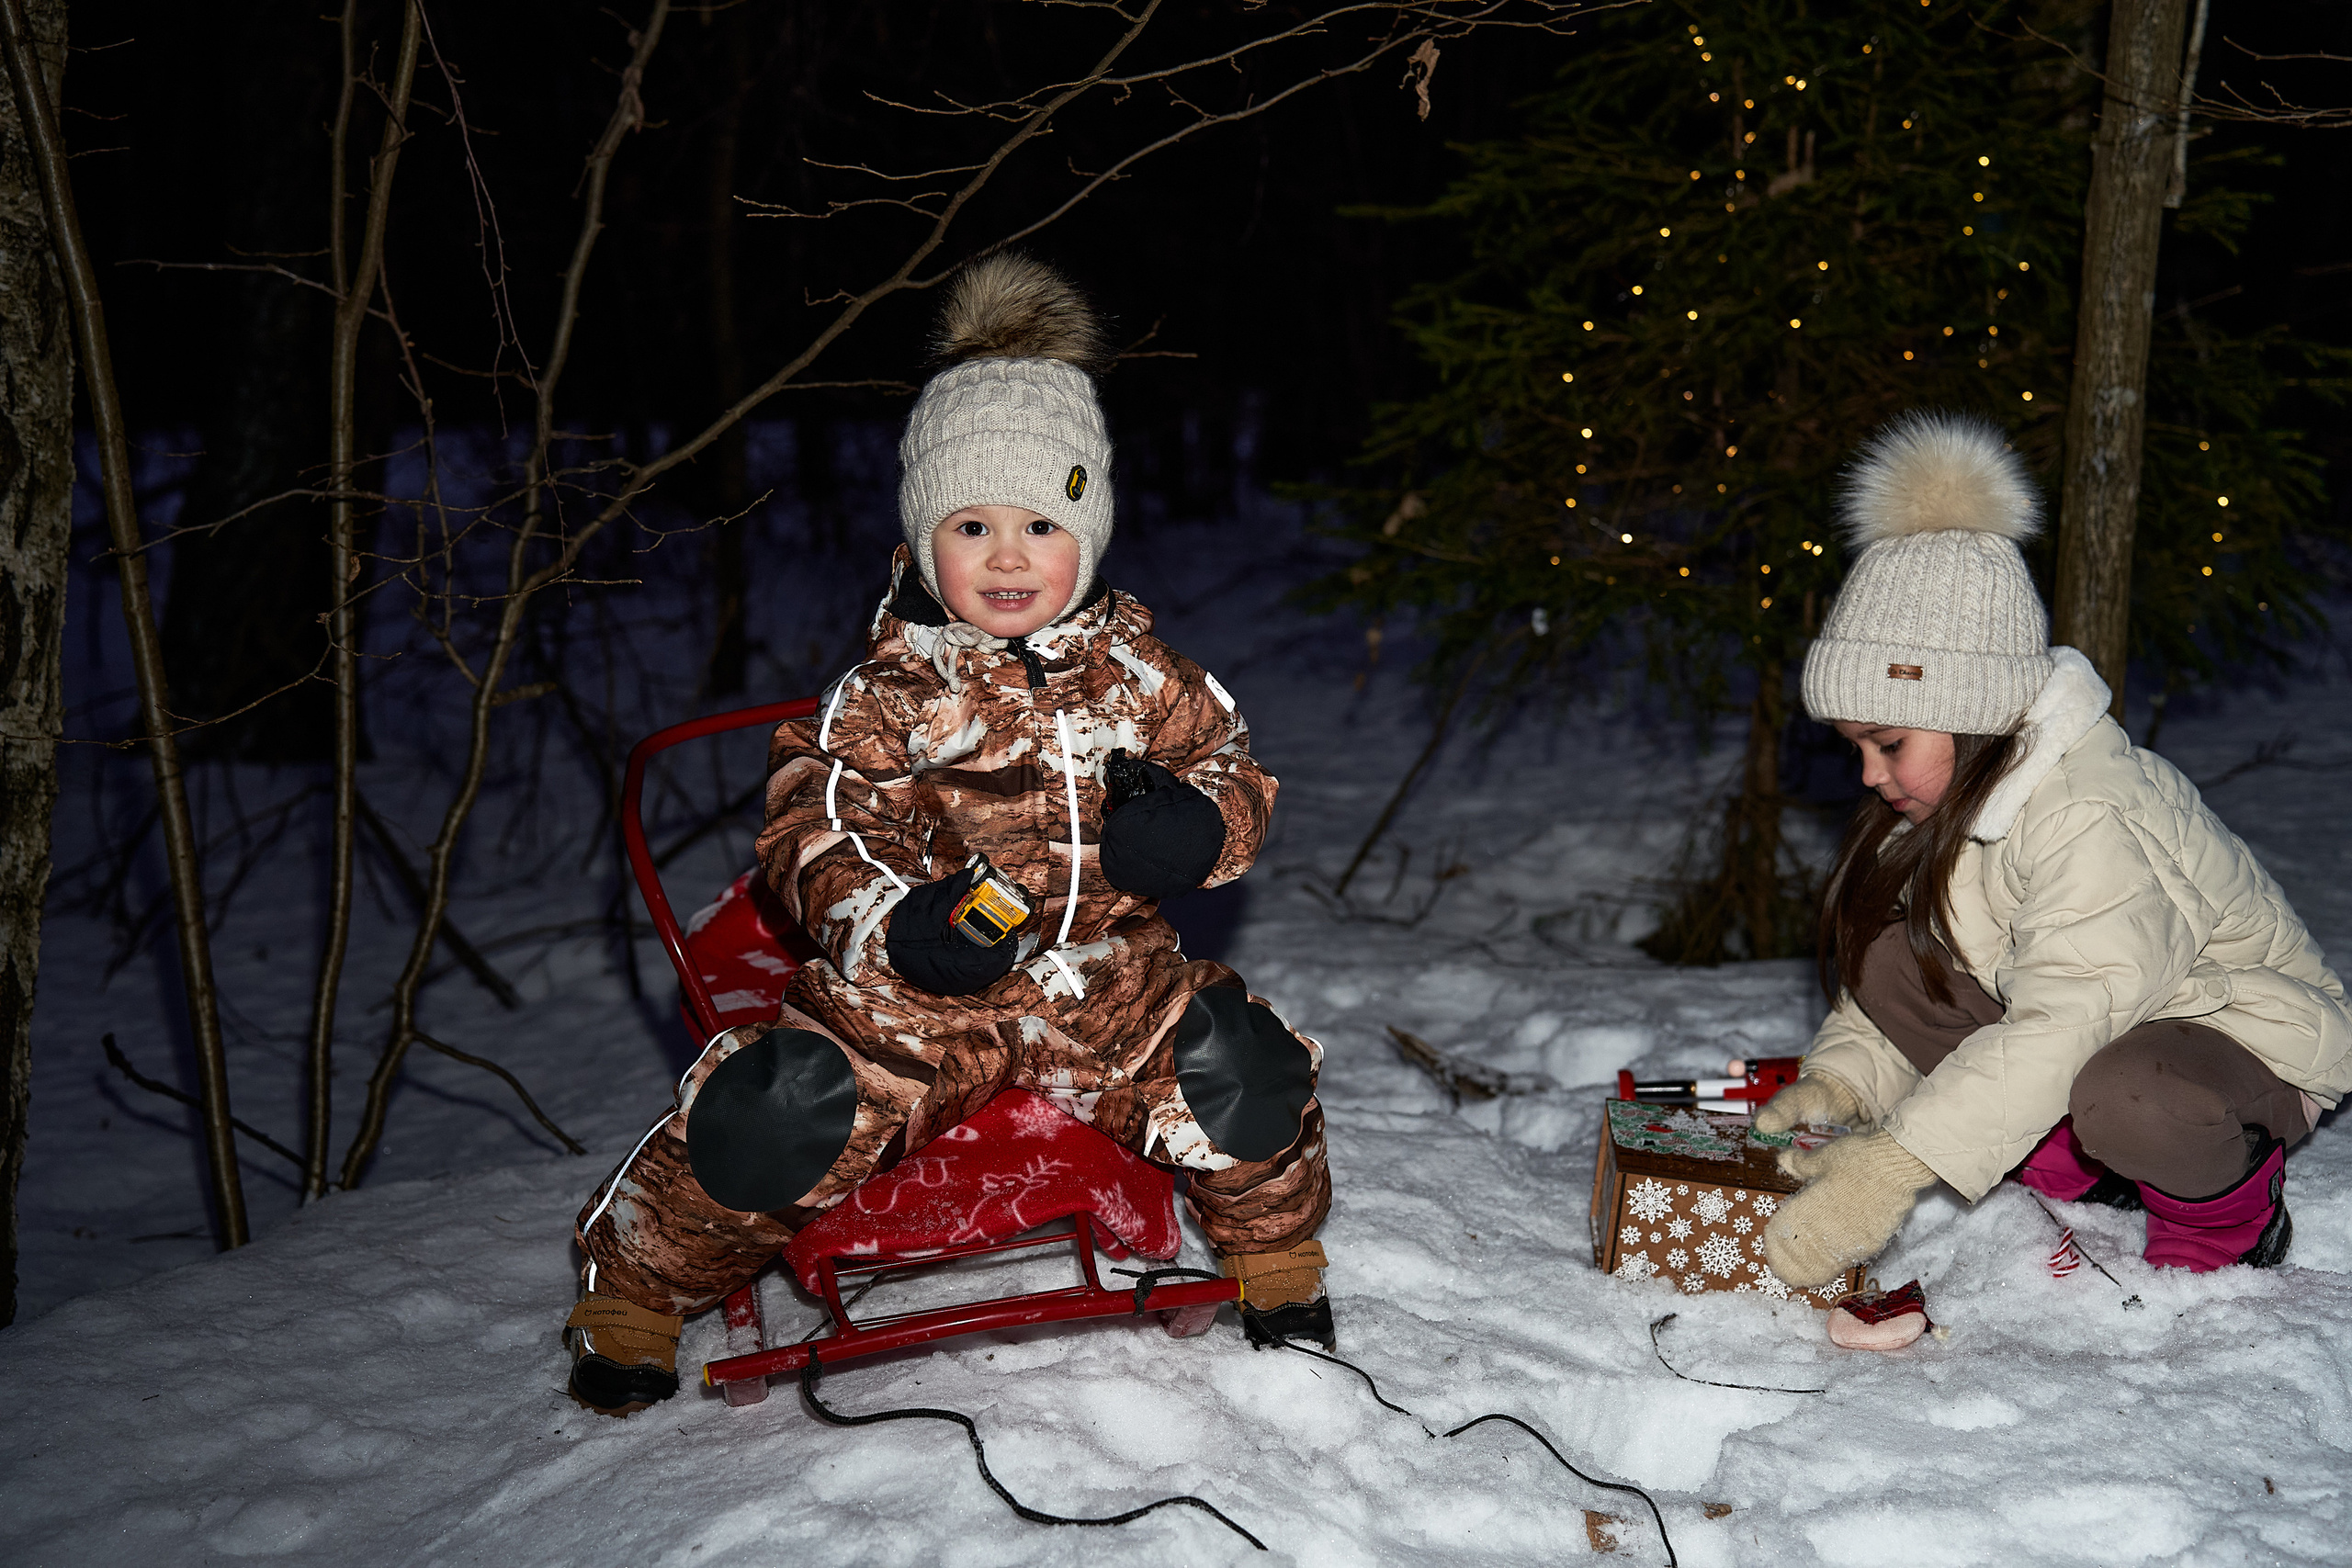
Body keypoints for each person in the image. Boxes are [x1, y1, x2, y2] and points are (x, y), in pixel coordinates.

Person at [563, 255, 1333, 1416]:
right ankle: (633, 1294)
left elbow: (1232, 768)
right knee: (784, 1110)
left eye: (1041, 522)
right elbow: (811, 830)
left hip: (1106, 980)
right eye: (972, 525)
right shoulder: (881, 697)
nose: (1010, 556)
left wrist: (1201, 827)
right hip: (925, 998)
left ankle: (1276, 1259)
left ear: (1092, 528)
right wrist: (894, 926)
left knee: (1241, 1065)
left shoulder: (1147, 674)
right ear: (928, 542)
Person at [1757, 412, 2349, 1292]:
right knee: (1888, 957)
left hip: (2234, 1040)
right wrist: (1842, 1084)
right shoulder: (1942, 792)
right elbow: (1920, 987)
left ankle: (2228, 1217)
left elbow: (2069, 1017)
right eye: (1856, 749)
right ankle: (2081, 1159)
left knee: (2129, 1096)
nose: (1871, 775)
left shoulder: (2091, 808)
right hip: (2101, 1031)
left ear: (1972, 709)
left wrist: (1893, 1165)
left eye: (1886, 742)